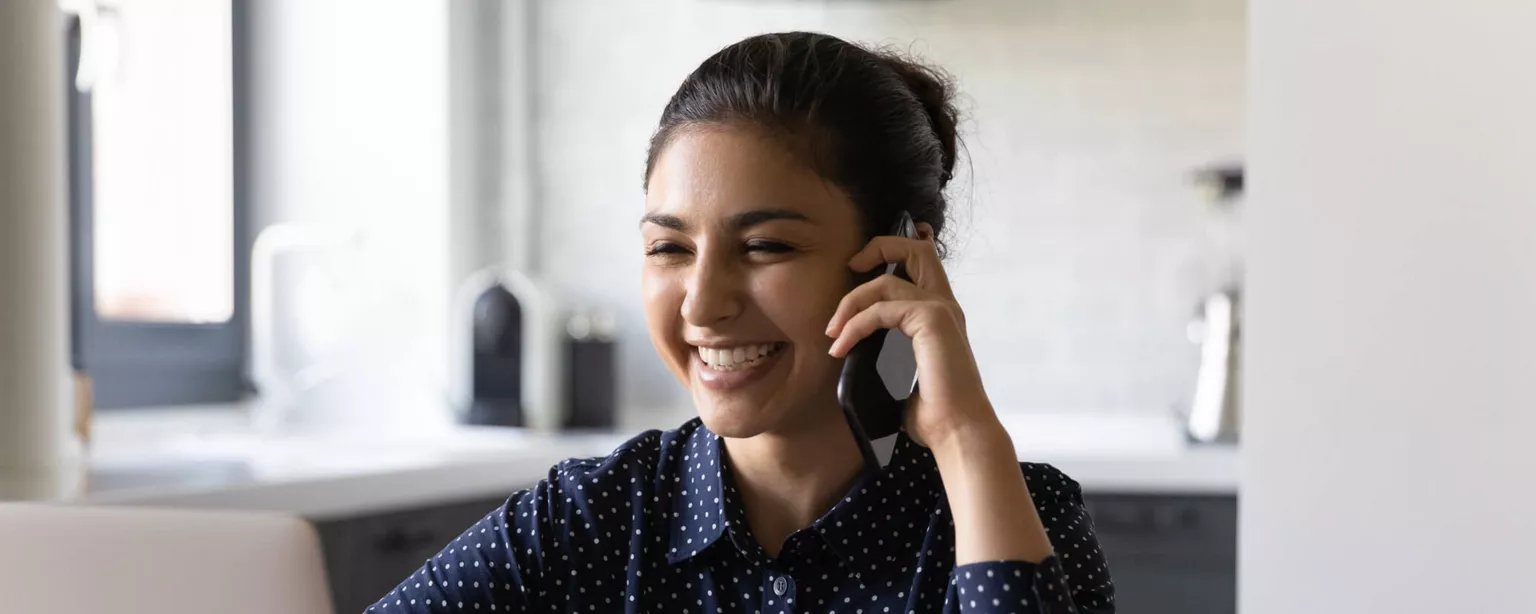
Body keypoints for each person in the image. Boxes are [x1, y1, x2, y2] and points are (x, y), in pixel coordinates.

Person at [369, 31, 1114, 613]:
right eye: (669, 247)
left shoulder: (1016, 513)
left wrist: (964, 435)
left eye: (765, 247)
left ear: (896, 266)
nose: (700, 303)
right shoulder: (589, 521)